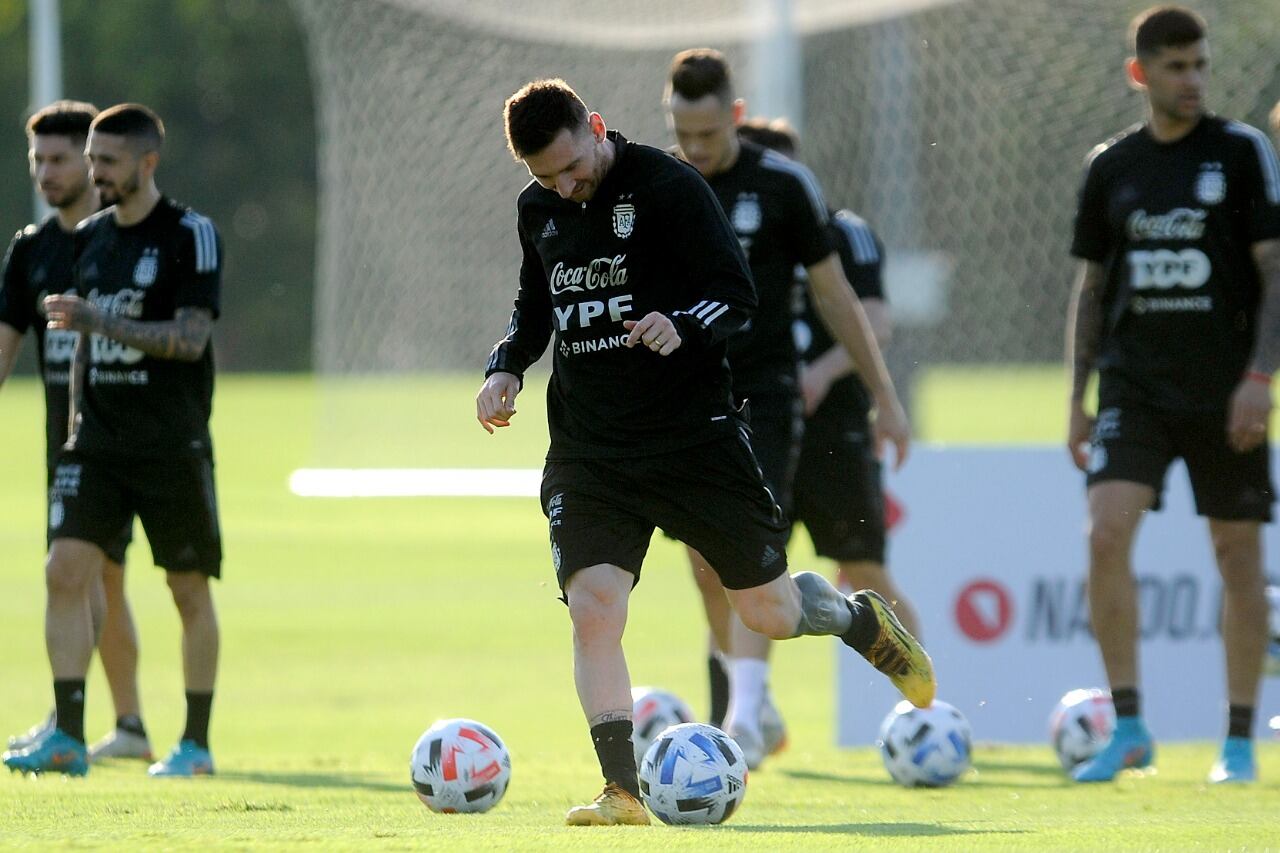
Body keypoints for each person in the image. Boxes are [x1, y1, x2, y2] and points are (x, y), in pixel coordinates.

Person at [477, 78, 933, 825]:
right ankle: (621, 791)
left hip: (695, 443)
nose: (564, 187)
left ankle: (857, 620)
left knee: (768, 613)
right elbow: (537, 306)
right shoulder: (539, 210)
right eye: (545, 178)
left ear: (595, 126)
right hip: (592, 453)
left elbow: (738, 292)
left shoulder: (670, 187)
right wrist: (503, 365)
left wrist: (680, 322)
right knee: (594, 609)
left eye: (570, 167)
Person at [663, 48, 911, 768]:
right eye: (684, 133)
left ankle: (742, 714)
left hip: (762, 396)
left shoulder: (782, 186)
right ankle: (752, 706)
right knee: (706, 562)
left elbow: (842, 300)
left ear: (736, 116)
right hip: (683, 399)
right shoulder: (659, 184)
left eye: (709, 134)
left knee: (745, 550)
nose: (697, 149)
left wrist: (886, 400)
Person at [1065, 6, 1280, 784]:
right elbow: (1090, 289)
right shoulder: (1111, 166)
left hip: (1226, 392)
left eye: (1200, 65)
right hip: (1135, 387)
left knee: (1237, 555)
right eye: (1176, 67)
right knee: (1104, 534)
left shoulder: (1241, 152)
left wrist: (1260, 379)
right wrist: (1075, 399)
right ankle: (1128, 727)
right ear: (1140, 74)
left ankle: (1239, 742)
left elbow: (1274, 273)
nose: (1193, 80)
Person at [2, 104, 225, 778]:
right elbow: (74, 343)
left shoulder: (192, 234)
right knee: (63, 570)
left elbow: (189, 341)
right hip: (94, 446)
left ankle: (195, 742)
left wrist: (101, 320)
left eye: (105, 161)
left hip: (169, 444)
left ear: (146, 163)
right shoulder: (87, 238)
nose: (94, 173)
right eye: (89, 159)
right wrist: (75, 423)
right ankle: (69, 730)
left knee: (187, 589)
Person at [0, 100, 152, 763]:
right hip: (62, 443)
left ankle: (84, 721)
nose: (47, 171)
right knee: (92, 580)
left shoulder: (124, 240)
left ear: (91, 163)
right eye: (38, 159)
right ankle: (125, 724)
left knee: (85, 575)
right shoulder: (32, 251)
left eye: (60, 158)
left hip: (121, 437)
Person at [736, 117, 923, 640]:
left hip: (832, 429)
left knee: (866, 570)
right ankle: (746, 714)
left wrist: (819, 372)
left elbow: (876, 319)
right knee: (750, 574)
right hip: (758, 423)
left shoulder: (843, 232)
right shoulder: (729, 237)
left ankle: (922, 706)